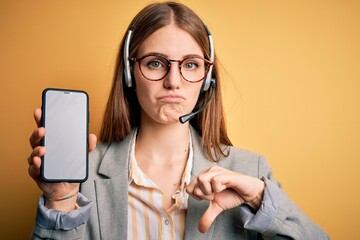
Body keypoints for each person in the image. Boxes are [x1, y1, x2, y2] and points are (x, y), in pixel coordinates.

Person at [28, 1, 330, 239]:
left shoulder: (250, 171)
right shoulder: (82, 174)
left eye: (191, 64)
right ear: (130, 74)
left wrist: (262, 201)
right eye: (156, 63)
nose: (174, 81)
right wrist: (61, 200)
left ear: (207, 78)